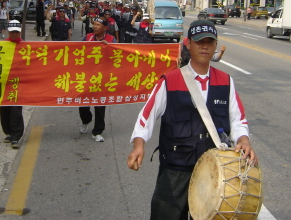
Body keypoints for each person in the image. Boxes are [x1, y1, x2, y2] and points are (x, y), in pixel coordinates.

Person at [127, 19, 258, 220]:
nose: (204, 46)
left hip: (214, 170)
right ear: (188, 43)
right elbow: (146, 116)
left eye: (209, 41)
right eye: (199, 41)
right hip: (175, 169)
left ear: (215, 45)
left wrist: (244, 140)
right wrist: (139, 145)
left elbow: (238, 119)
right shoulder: (170, 81)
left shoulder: (226, 81)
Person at [79, 17, 117, 142]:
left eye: (98, 25)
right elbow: (78, 52)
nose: (95, 27)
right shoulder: (88, 38)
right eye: (94, 24)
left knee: (100, 105)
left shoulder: (111, 40)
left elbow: (118, 55)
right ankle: (86, 120)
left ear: (105, 28)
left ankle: (97, 131)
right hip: (87, 76)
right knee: (83, 104)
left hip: (103, 78)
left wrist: (109, 48)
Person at [0, 20, 25, 149]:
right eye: (12, 32)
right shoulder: (2, 46)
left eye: (16, 32)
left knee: (16, 109)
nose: (14, 35)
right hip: (4, 82)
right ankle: (8, 132)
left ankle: (16, 136)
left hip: (18, 83)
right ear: (8, 32)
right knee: (4, 108)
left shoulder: (26, 46)